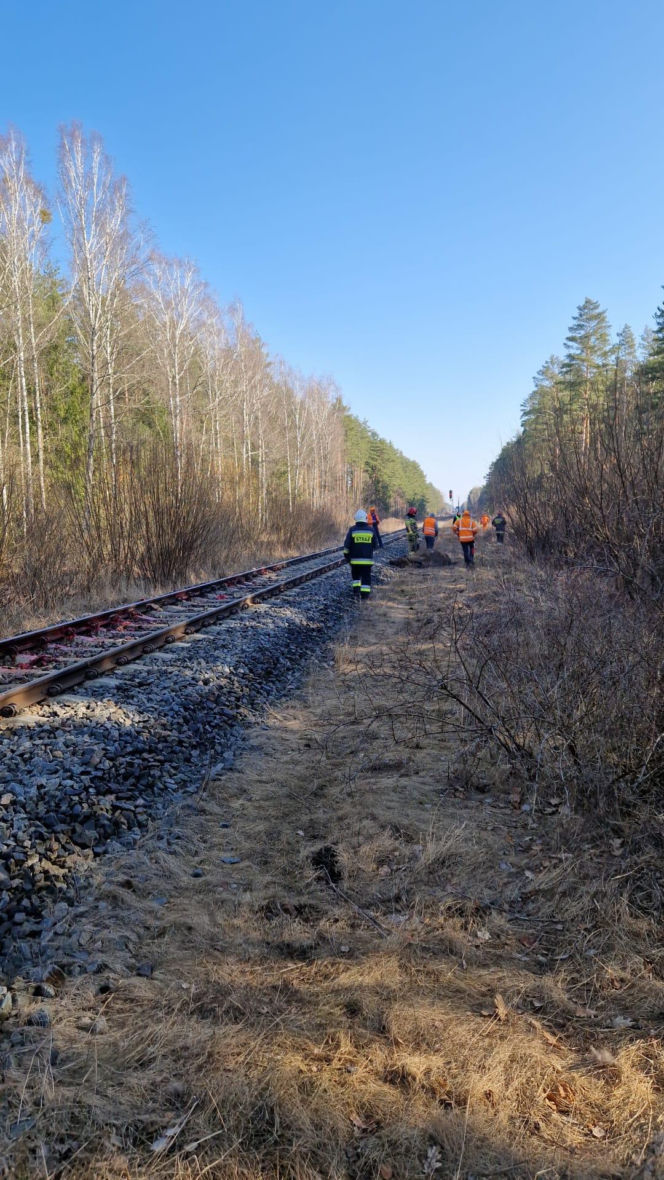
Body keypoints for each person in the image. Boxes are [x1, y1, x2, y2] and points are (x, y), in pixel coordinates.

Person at [343, 510, 377, 600]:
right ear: (366, 518)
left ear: (356, 519)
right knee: (366, 578)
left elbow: (346, 546)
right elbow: (375, 545)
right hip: (367, 561)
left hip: (354, 561)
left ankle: (356, 593)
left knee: (356, 578)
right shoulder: (371, 530)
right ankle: (365, 597)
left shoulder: (352, 530)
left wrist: (347, 557)